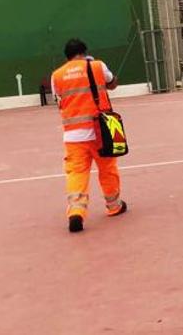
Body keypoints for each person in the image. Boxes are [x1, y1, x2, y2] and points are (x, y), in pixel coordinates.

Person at [51, 38, 127, 233]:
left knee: (76, 173)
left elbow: (59, 99)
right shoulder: (96, 66)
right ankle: (114, 205)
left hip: (73, 135)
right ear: (84, 52)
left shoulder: (56, 75)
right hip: (100, 130)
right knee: (107, 167)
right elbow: (112, 84)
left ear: (66, 56)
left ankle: (76, 212)